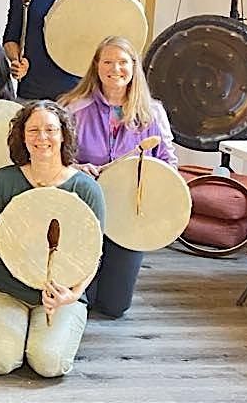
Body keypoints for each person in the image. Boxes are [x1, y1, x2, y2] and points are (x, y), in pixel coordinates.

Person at [0, 100, 105, 377]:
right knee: (1, 360)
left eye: (50, 129)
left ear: (63, 134)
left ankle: (52, 327)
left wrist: (72, 295)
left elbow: (94, 254)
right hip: (6, 288)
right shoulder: (5, 179)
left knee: (48, 363)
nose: (42, 137)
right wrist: (22, 221)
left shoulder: (86, 188)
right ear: (22, 136)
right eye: (33, 130)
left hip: (60, 292)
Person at [59, 36, 177, 318]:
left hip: (129, 217)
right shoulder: (72, 108)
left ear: (134, 67)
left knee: (114, 307)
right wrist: (75, 168)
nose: (115, 69)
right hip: (83, 211)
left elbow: (168, 163)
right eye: (108, 61)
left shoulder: (153, 113)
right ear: (96, 66)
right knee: (79, 299)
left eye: (123, 62)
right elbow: (53, 159)